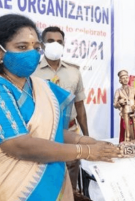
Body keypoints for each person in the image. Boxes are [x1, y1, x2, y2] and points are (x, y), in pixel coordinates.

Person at [0, 14, 120, 201]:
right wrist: (84, 151)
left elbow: (49, 132)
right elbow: (17, 145)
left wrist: (88, 141)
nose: (32, 53)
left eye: (36, 47)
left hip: (48, 178)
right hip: (2, 186)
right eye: (22, 47)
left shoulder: (40, 86)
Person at [33, 26, 89, 191]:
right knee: (45, 176)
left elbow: (80, 106)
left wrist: (87, 136)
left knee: (71, 174)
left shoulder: (74, 72)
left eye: (59, 41)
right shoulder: (31, 71)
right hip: (42, 131)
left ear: (64, 45)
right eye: (50, 41)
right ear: (42, 45)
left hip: (70, 130)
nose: (55, 44)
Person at [114, 70, 135, 142]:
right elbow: (115, 104)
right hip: (125, 112)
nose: (125, 79)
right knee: (127, 129)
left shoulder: (133, 89)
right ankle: (127, 141)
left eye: (126, 77)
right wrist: (120, 102)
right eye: (123, 78)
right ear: (120, 80)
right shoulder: (118, 91)